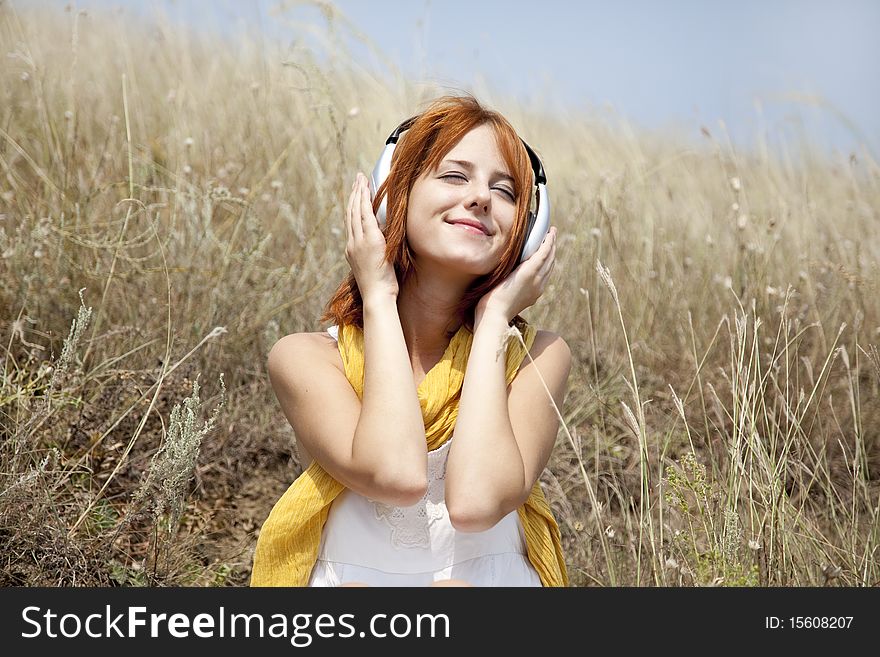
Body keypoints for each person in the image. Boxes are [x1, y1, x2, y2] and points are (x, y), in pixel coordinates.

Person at [251, 95, 570, 587]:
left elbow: (476, 505)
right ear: (393, 190)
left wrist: (493, 324)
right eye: (454, 176)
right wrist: (378, 295)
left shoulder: (538, 360)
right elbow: (395, 475)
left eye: (504, 191)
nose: (482, 198)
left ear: (527, 231)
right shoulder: (306, 359)